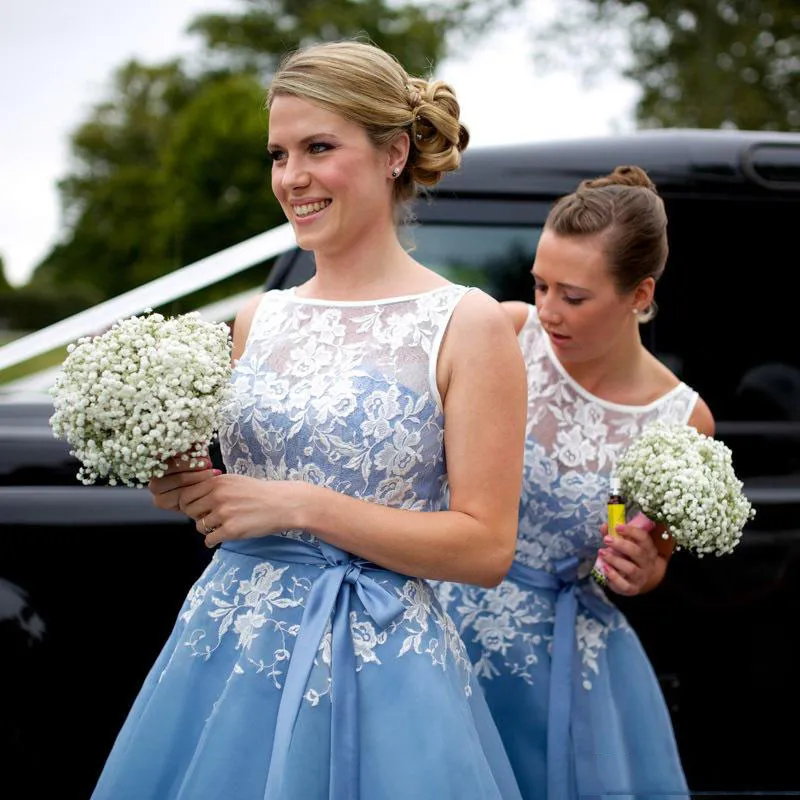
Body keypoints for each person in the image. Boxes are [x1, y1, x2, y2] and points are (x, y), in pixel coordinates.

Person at [89, 39, 528, 800]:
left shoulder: (467, 323)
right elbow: (232, 497)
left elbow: (486, 547)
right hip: (231, 646)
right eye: (278, 153)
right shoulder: (260, 319)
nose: (291, 178)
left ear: (394, 153)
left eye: (318, 147)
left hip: (384, 661)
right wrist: (189, 487)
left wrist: (298, 505)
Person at [436, 165, 715, 800]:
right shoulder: (505, 335)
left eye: (574, 296)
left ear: (640, 295)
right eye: (540, 285)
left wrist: (643, 570)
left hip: (563, 664)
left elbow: (645, 552)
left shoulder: (682, 421)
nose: (548, 311)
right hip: (446, 629)